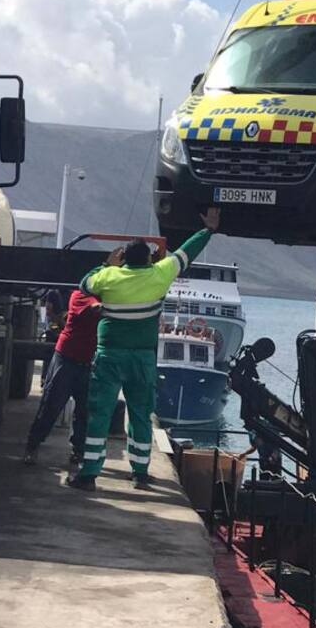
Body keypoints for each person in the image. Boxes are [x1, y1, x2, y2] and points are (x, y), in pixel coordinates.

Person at [67, 208, 220, 491]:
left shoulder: (109, 276)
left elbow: (84, 285)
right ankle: (140, 473)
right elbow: (187, 253)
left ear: (123, 258)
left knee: (99, 413)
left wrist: (106, 263)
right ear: (149, 259)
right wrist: (208, 230)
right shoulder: (160, 274)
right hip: (143, 358)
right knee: (140, 413)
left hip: (110, 355)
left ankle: (89, 474)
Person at [22, 284, 106, 466]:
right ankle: (32, 446)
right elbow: (98, 308)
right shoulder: (80, 296)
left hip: (87, 363)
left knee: (84, 411)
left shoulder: (105, 298)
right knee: (51, 405)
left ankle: (78, 451)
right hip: (67, 360)